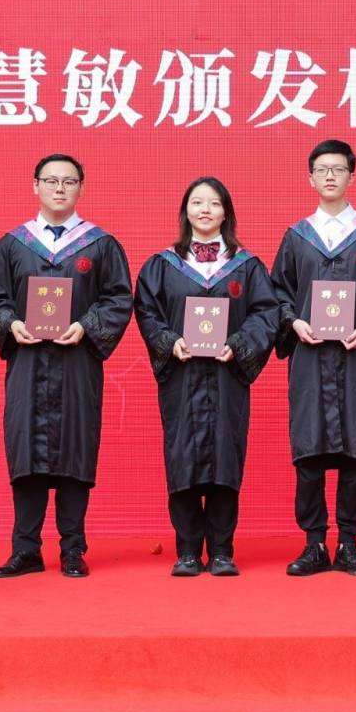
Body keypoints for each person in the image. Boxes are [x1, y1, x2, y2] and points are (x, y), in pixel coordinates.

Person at [0, 154, 133, 579]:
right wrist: (11, 323)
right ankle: (25, 550)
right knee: (26, 452)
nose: (59, 188)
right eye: (51, 180)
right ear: (36, 186)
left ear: (81, 187)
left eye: (68, 181)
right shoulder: (13, 244)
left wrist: (86, 326)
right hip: (28, 364)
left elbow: (119, 299)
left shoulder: (100, 245)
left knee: (75, 452)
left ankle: (72, 549)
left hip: (77, 365)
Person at [134, 177, 281, 577]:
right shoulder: (162, 265)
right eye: (197, 202)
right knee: (182, 456)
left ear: (225, 213)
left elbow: (266, 313)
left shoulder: (246, 266)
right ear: (185, 211)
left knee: (225, 458)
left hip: (226, 376)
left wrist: (239, 344)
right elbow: (146, 311)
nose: (204, 210)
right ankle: (186, 550)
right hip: (181, 376)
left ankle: (221, 550)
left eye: (214, 203)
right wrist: (169, 342)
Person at [271, 140, 356, 577]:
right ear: (310, 178)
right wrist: (293, 322)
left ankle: (348, 543)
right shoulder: (297, 237)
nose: (330, 176)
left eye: (338, 169)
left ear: (351, 177)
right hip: (309, 360)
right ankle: (313, 544)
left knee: (355, 452)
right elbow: (277, 295)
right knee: (308, 451)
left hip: (354, 357)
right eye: (322, 169)